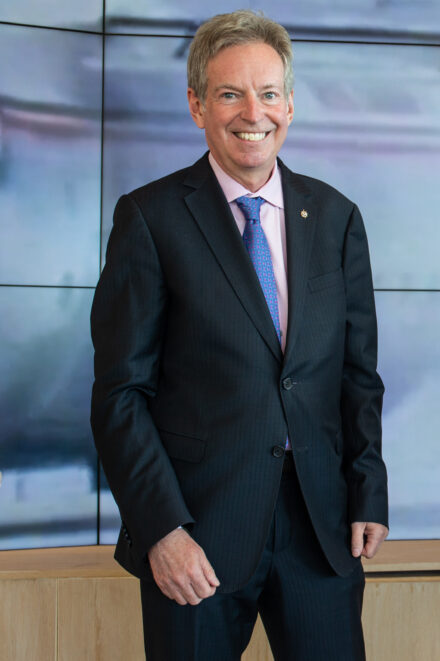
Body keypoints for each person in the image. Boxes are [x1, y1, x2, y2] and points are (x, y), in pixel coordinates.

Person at [90, 10, 388, 660]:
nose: (253, 111)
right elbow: (120, 395)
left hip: (320, 528)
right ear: (197, 105)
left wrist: (369, 488)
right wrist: (162, 528)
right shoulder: (149, 218)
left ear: (290, 104)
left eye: (269, 93)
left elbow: (357, 373)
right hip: (196, 533)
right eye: (229, 93)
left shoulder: (336, 217)